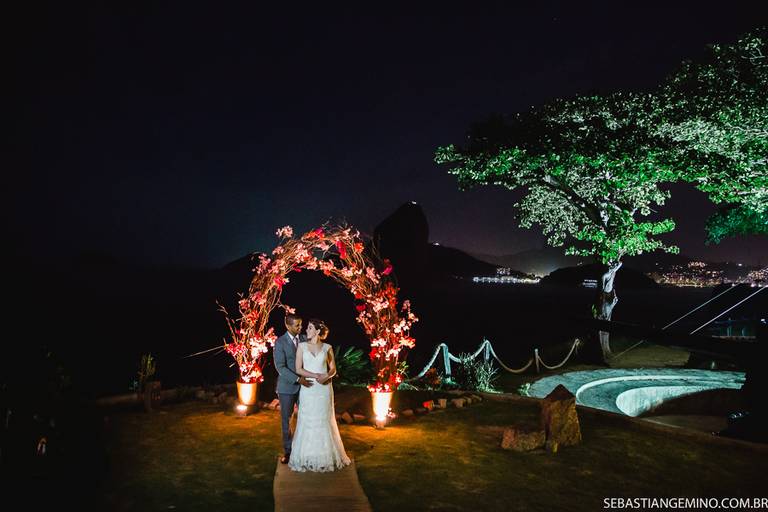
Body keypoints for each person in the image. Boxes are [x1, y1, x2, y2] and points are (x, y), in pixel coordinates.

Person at [289, 318, 351, 472]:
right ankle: (307, 455)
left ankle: (325, 456)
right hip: (309, 388)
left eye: (310, 328)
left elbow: (333, 369)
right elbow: (298, 369)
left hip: (324, 389)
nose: (306, 330)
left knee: (324, 419)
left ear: (317, 331)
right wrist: (316, 375)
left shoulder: (327, 347)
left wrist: (327, 376)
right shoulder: (301, 347)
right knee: (307, 420)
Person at [273, 314, 313, 464]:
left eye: (301, 324)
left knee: (306, 418)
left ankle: (305, 449)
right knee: (286, 421)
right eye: (297, 325)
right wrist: (297, 379)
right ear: (288, 326)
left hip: (305, 388)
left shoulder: (304, 339)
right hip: (286, 388)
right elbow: (280, 367)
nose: (300, 328)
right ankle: (288, 452)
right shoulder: (280, 342)